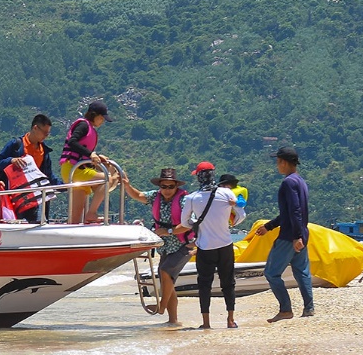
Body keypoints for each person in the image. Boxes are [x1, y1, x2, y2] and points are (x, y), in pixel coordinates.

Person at [173, 164, 244, 329]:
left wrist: (196, 223)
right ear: (213, 175)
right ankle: (230, 320)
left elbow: (185, 222)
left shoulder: (192, 198)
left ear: (199, 177)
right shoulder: (226, 193)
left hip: (205, 247)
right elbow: (241, 214)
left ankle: (206, 323)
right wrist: (228, 224)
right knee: (228, 282)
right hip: (225, 245)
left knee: (205, 284)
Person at [118, 166, 191, 326]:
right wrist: (127, 185)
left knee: (166, 272)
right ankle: (173, 321)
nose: (167, 190)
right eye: (163, 186)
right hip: (165, 246)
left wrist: (169, 231)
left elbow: (189, 224)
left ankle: (161, 307)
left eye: (171, 187)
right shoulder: (155, 196)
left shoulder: (184, 200)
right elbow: (138, 196)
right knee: (168, 283)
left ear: (176, 186)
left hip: (183, 245)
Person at [258, 146, 314, 322]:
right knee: (301, 271)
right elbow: (291, 211)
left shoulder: (288, 182)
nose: (277, 166)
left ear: (283, 162)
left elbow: (294, 210)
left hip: (290, 236)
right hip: (302, 232)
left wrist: (295, 236)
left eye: (278, 162)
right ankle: (309, 308)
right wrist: (270, 226)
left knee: (271, 273)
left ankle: (285, 309)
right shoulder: (300, 181)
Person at [0, 113, 57, 224]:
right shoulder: (16, 144)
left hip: (36, 198)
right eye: (45, 133)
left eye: (48, 133)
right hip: (15, 197)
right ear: (35, 128)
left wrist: (67, 185)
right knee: (14, 224)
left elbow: (48, 175)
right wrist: (11, 160)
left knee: (37, 224)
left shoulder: (44, 151)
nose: (46, 136)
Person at [59, 101, 115, 224]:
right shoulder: (83, 125)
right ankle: (91, 213)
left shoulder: (90, 129)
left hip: (75, 169)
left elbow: (83, 151)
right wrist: (91, 154)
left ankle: (73, 238)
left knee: (75, 217)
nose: (102, 121)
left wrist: (96, 156)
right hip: (74, 169)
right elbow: (72, 142)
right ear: (93, 115)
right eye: (101, 118)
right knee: (107, 179)